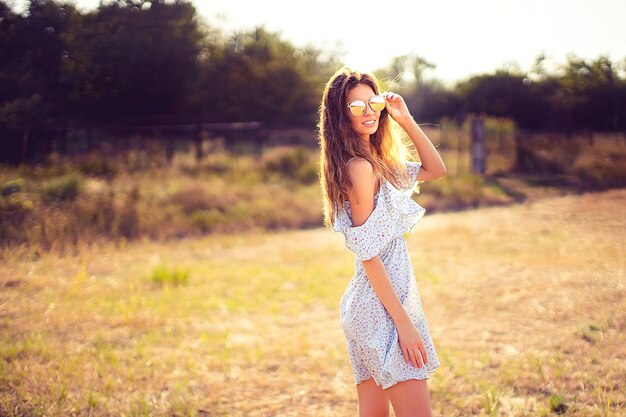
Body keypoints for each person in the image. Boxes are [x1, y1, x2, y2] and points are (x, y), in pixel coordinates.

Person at [318, 67, 447, 417]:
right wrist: (404, 324)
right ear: (340, 116)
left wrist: (405, 119)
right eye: (355, 106)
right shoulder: (359, 168)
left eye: (372, 102)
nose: (368, 111)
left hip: (372, 304)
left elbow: (435, 170)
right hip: (382, 311)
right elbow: (368, 254)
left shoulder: (380, 163)